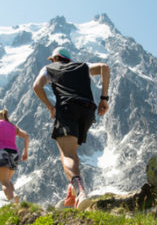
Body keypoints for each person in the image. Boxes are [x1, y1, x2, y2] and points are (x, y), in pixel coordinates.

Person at [33, 47, 110, 211]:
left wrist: (50, 107)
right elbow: (105, 67)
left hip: (67, 108)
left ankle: (81, 192)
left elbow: (37, 86)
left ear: (54, 59)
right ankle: (72, 193)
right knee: (72, 152)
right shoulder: (81, 66)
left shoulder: (49, 69)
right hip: (88, 110)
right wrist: (104, 98)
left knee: (66, 154)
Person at [0, 108, 30, 204]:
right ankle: (14, 195)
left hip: (2, 151)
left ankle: (12, 201)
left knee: (3, 182)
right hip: (14, 153)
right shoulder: (13, 126)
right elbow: (26, 136)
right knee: (8, 180)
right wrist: (25, 152)